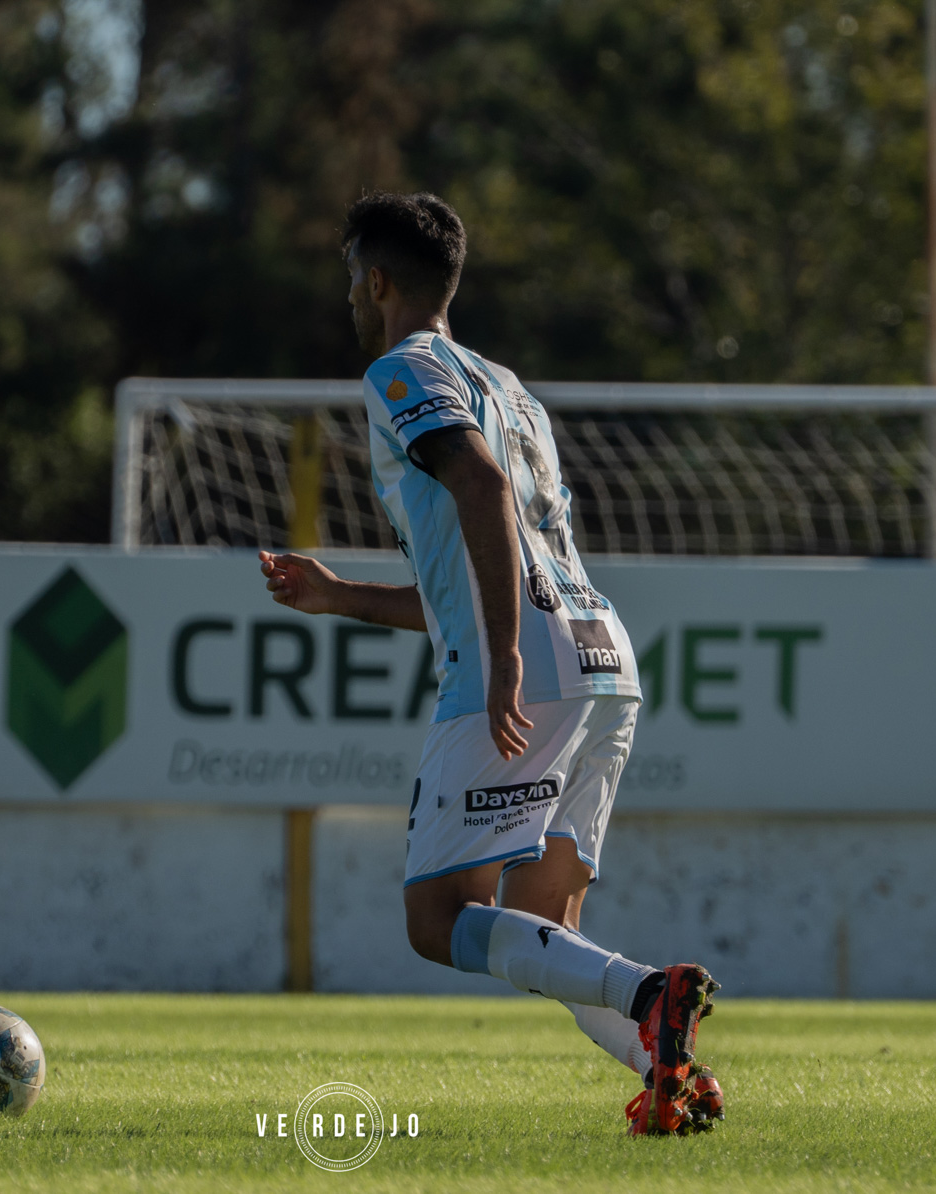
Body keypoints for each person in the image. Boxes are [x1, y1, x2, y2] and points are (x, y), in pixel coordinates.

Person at [258, 192, 723, 1137]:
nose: (351, 296)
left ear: (379, 282)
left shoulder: (401, 368)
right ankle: (669, 1068)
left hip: (530, 663)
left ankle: (647, 994)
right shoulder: (508, 384)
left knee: (439, 922)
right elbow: (490, 561)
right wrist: (340, 594)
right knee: (545, 924)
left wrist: (504, 659)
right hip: (603, 656)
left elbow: (480, 484)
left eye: (353, 278)